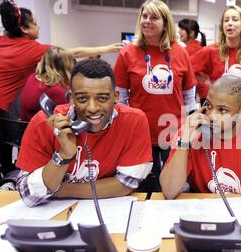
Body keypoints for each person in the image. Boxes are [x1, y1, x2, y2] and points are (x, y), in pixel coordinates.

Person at [0, 0, 125, 177]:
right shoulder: (33, 50)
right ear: (24, 29)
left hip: (7, 123)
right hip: (0, 107)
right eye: (35, 23)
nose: (38, 26)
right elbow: (75, 52)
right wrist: (109, 48)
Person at [160, 75, 241, 247]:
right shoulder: (191, 133)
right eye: (209, 106)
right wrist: (185, 141)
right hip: (201, 224)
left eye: (223, 110)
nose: (211, 116)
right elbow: (169, 191)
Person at [15, 59, 153, 207]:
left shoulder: (133, 121)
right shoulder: (43, 122)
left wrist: (56, 189)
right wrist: (64, 155)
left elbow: (126, 184)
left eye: (102, 98)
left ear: (116, 97)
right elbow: (29, 195)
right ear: (71, 98)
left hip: (108, 212)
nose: (93, 108)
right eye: (82, 98)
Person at [114, 0, 197, 190]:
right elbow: (122, 98)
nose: (147, 21)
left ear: (165, 22)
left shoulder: (180, 52)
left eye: (154, 17)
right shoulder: (127, 53)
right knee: (142, 185)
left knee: (172, 185)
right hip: (141, 131)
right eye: (144, 16)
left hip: (173, 131)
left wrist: (190, 128)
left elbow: (188, 96)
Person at [190, 6, 241, 107]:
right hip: (217, 109)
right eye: (226, 20)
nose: (230, 23)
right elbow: (189, 68)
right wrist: (208, 82)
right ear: (223, 26)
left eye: (235, 20)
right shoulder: (211, 51)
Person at [20, 47, 74, 121]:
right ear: (67, 66)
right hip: (40, 128)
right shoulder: (57, 90)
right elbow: (66, 117)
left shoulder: (32, 77)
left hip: (24, 126)